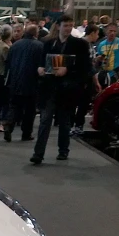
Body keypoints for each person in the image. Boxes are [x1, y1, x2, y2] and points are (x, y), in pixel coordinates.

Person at [31, 15, 91, 164]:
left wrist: (68, 71)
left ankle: (63, 150)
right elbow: (41, 61)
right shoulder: (49, 43)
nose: (68, 28)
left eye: (71, 25)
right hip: (50, 87)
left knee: (64, 122)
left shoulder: (80, 45)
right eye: (65, 25)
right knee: (45, 121)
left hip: (67, 90)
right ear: (58, 26)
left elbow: (85, 68)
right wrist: (40, 68)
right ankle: (38, 153)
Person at [3, 24, 43, 142]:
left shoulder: (15, 45)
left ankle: (8, 126)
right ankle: (26, 133)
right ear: (36, 34)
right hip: (32, 82)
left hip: (15, 81)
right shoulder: (40, 46)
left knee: (14, 106)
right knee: (30, 110)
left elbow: (8, 64)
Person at [71, 24, 101, 136]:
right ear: (92, 33)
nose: (97, 37)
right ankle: (78, 126)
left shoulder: (78, 43)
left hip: (75, 78)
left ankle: (71, 125)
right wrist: (96, 82)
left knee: (74, 103)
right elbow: (90, 66)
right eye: (97, 34)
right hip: (84, 79)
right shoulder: (87, 46)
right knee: (83, 103)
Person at [95, 22, 119, 92]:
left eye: (114, 31)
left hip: (115, 75)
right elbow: (98, 61)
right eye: (110, 31)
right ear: (106, 31)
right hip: (104, 74)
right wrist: (99, 59)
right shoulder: (101, 44)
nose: (112, 33)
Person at [0, 25, 13, 132]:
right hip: (3, 76)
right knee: (1, 101)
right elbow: (8, 61)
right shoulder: (5, 47)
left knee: (1, 100)